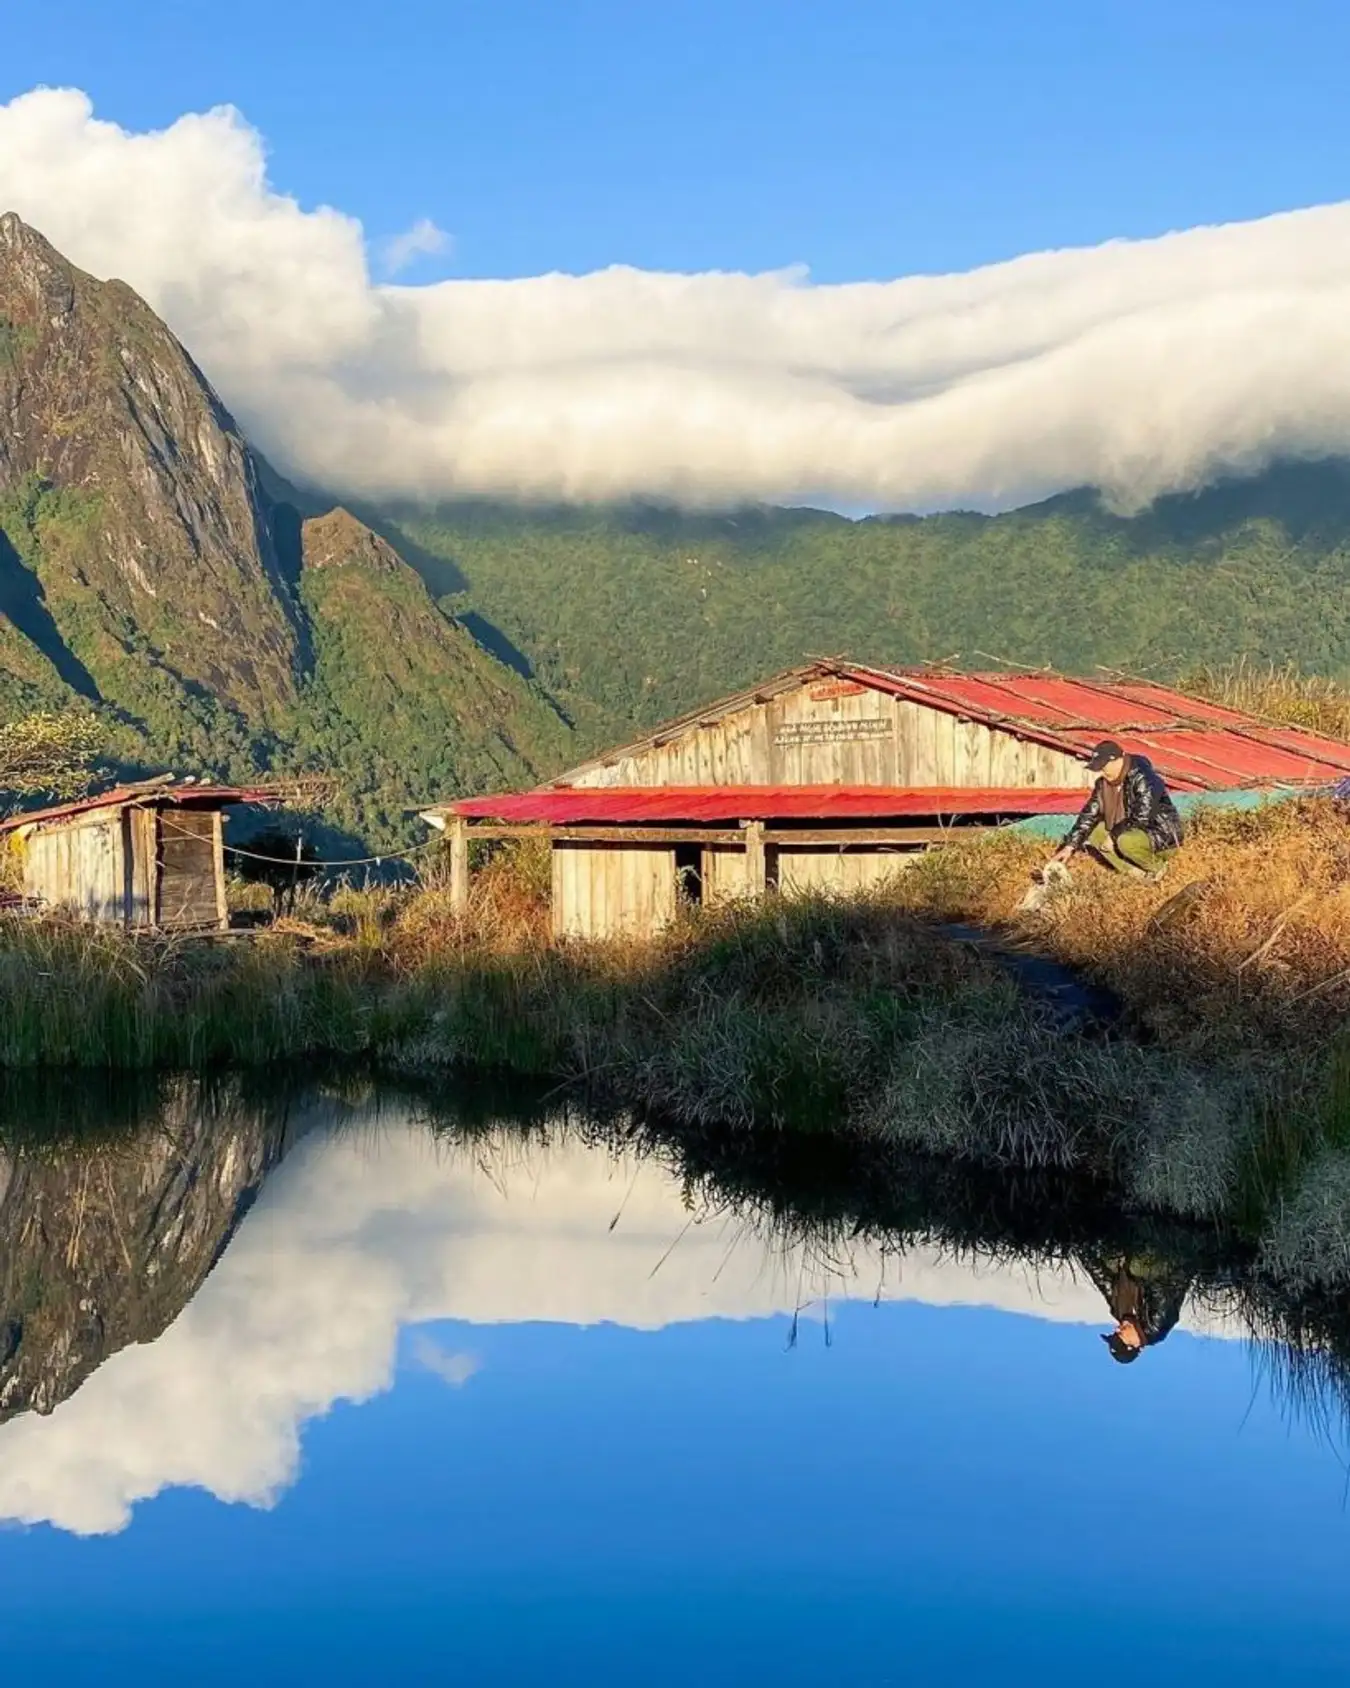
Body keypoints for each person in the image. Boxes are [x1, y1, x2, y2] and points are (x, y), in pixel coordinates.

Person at [1051, 739, 1183, 880]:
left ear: (1117, 760)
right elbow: (1089, 815)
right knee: (1096, 832)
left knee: (1125, 841)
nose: (1102, 771)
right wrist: (1069, 846)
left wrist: (1113, 835)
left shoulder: (1144, 777)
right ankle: (1135, 873)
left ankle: (1158, 869)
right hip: (1131, 832)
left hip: (1161, 837)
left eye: (1104, 766)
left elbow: (1142, 816)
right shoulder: (1104, 785)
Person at [1083, 1252, 1192, 1364]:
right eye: (1119, 1335)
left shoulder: (1119, 1312)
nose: (1116, 1329)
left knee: (1108, 1258)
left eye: (1115, 1333)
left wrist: (1085, 1253)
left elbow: (1102, 1280)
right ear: (1133, 1345)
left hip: (1134, 1256)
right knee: (1137, 1267)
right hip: (1169, 1260)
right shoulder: (1157, 1326)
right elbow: (1160, 1285)